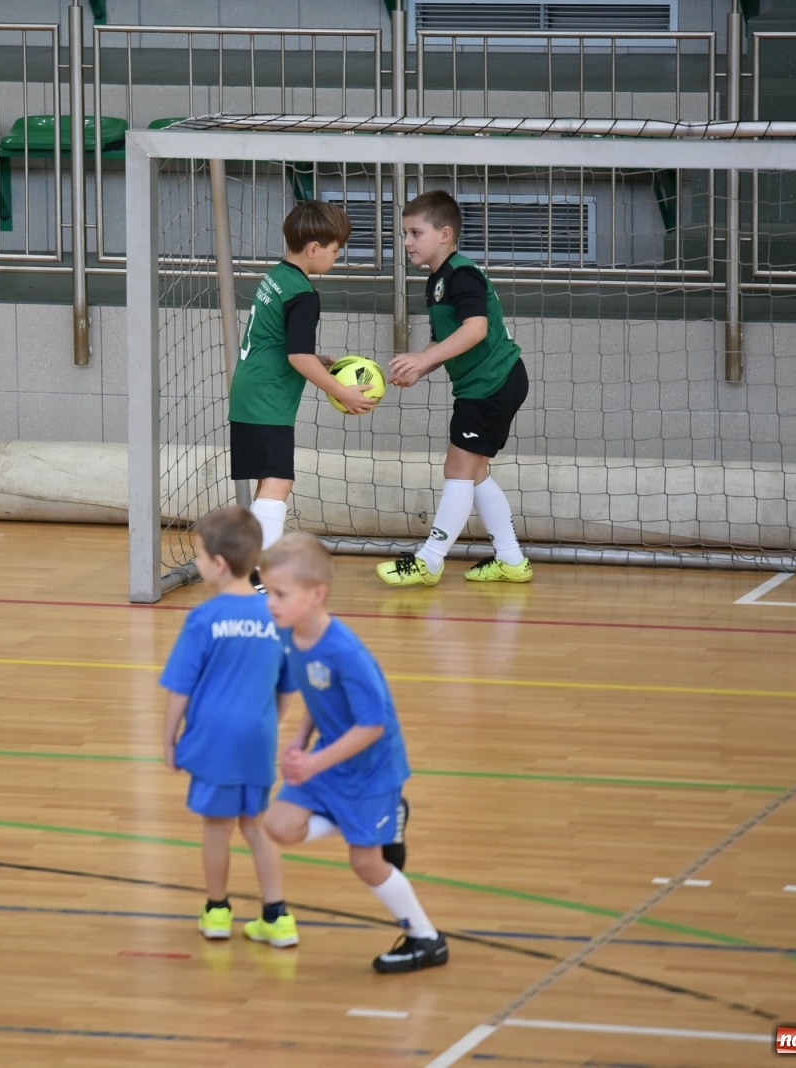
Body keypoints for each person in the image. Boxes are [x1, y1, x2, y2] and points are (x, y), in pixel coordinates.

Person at [260, 533, 447, 973]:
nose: (271, 602)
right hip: (330, 759)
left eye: (280, 594)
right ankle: (374, 821)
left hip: (370, 770)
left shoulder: (345, 651)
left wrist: (313, 763)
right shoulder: (292, 636)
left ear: (316, 594)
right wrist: (299, 739)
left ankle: (427, 938)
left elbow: (373, 725)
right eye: (268, 592)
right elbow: (316, 692)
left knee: (365, 863)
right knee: (279, 826)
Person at [159, 506, 298, 947]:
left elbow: (179, 688)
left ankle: (217, 911)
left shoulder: (202, 620)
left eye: (198, 556)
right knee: (255, 824)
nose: (196, 564)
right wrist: (270, 725)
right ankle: (277, 916)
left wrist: (168, 739)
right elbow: (286, 687)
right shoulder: (275, 619)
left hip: (212, 741)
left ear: (218, 565)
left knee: (216, 826)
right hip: (257, 739)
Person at [380, 190, 533, 587]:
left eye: (416, 233)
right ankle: (512, 560)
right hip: (487, 384)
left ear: (445, 234)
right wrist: (420, 365)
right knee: (475, 473)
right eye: (405, 234)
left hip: (491, 384)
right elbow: (447, 341)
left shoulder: (461, 274)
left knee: (458, 470)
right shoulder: (437, 281)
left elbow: (476, 329)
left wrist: (425, 360)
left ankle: (430, 561)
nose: (408, 242)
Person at [230, 200, 379, 579]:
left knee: (269, 481)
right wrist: (342, 392)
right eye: (335, 250)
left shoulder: (276, 276)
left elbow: (281, 341)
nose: (336, 257)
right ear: (314, 249)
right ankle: (258, 577)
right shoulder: (303, 294)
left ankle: (255, 569)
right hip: (268, 400)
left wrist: (318, 357)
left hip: (250, 391)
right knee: (280, 481)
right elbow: (298, 357)